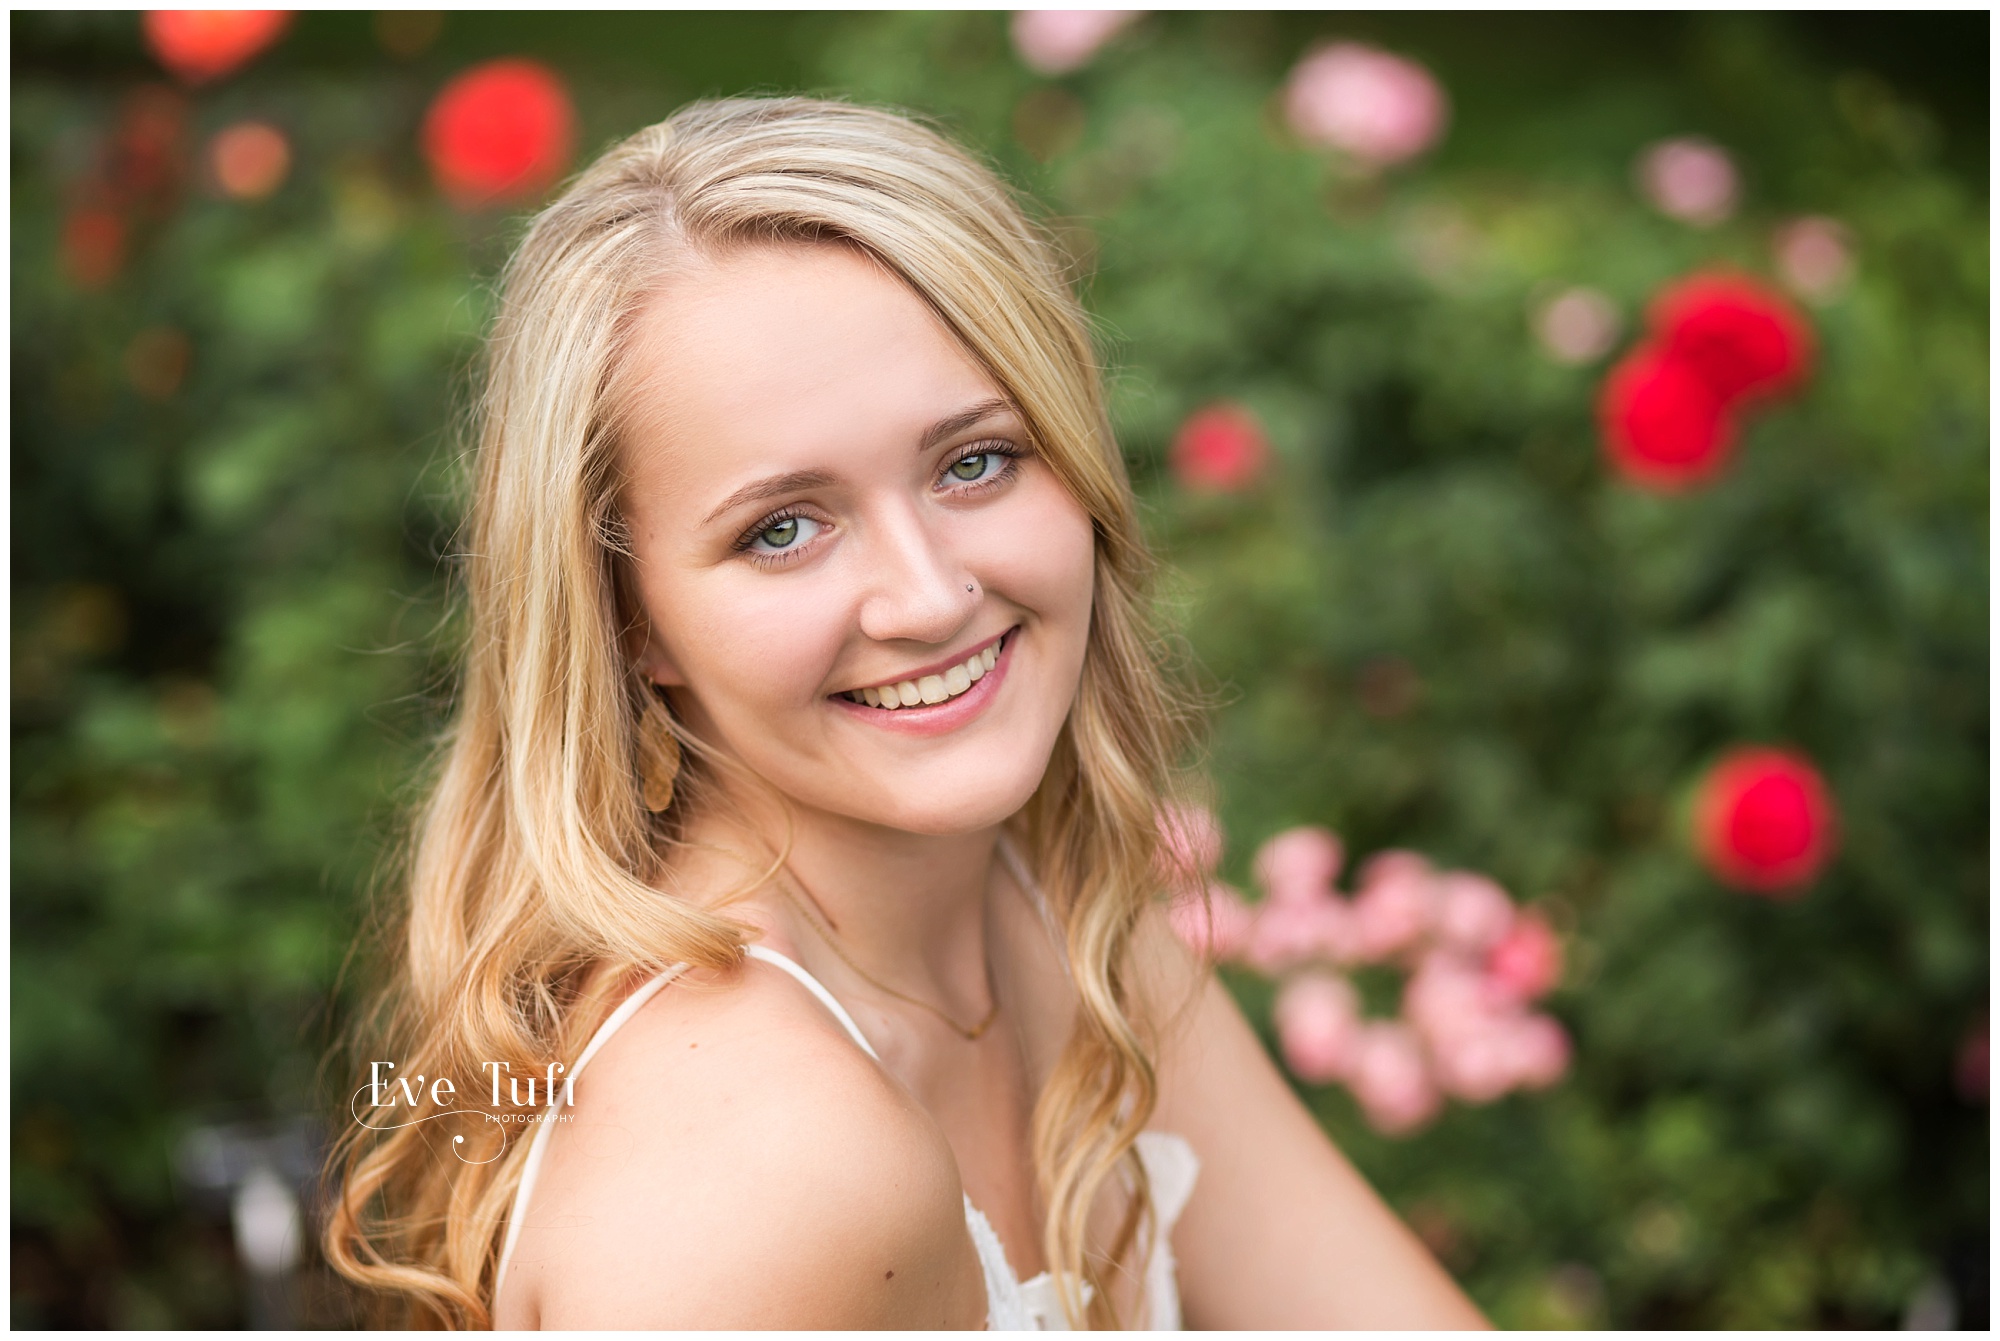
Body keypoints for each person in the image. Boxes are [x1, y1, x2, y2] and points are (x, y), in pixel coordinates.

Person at [322, 96, 1486, 1330]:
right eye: (783, 529)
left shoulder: (1056, 914)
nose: (929, 598)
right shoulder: (757, 1178)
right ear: (627, 620)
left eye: (974, 461)